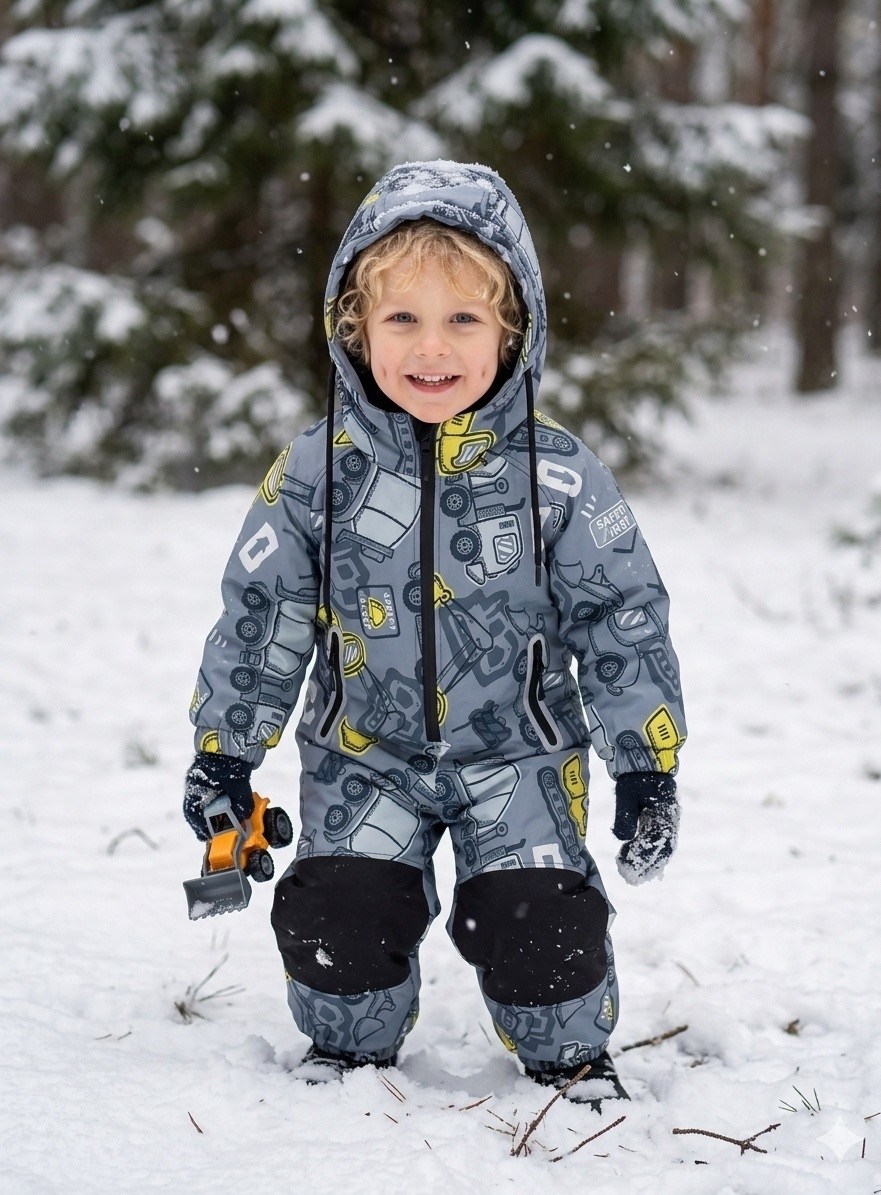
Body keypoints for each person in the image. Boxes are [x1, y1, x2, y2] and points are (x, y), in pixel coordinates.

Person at [183, 160, 686, 1104]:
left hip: (521, 758)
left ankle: (569, 1052)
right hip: (362, 754)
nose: (432, 347)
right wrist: (225, 752)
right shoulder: (314, 473)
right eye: (402, 318)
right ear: (353, 329)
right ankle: (349, 1046)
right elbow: (263, 614)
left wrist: (646, 762)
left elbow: (621, 618)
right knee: (339, 919)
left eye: (463, 318)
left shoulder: (560, 476)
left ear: (513, 329)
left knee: (539, 926)